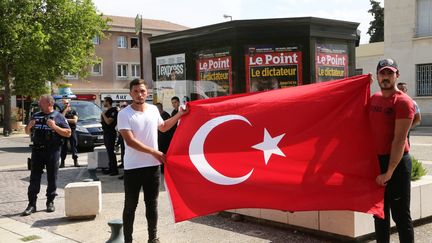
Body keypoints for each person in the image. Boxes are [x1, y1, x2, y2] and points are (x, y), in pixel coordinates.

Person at [118, 78, 188, 243]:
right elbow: (130, 141)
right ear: (130, 93)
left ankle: (153, 238)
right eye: (135, 91)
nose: (139, 94)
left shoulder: (153, 110)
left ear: (147, 92)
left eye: (142, 91)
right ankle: (128, 240)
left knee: (152, 205)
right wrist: (154, 152)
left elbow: (163, 127)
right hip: (133, 167)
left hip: (152, 167)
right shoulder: (124, 113)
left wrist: (180, 114)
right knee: (130, 207)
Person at [370, 58, 415, 243]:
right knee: (379, 214)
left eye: (390, 73)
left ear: (397, 75)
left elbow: (399, 140)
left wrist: (389, 172)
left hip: (396, 164)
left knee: (400, 216)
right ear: (377, 76)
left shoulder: (403, 102)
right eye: (382, 73)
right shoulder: (374, 98)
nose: (386, 77)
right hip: (377, 162)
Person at [22, 95, 71, 216]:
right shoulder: (36, 116)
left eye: (41, 102)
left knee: (52, 177)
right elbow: (27, 132)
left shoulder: (58, 116)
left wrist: (54, 126)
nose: (39, 104)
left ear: (49, 104)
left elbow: (68, 133)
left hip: (52, 151)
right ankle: (31, 204)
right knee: (34, 177)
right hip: (37, 151)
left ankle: (50, 202)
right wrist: (29, 126)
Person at [101, 97, 119, 176]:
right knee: (108, 152)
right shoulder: (107, 111)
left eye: (104, 101)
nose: (103, 103)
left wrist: (103, 114)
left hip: (111, 133)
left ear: (108, 102)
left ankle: (114, 170)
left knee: (111, 152)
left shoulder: (113, 110)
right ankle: (110, 168)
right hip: (106, 132)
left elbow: (108, 121)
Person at [60, 98, 79, 167]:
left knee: (74, 145)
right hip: (64, 131)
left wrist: (65, 120)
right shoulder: (61, 111)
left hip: (72, 130)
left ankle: (75, 161)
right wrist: (65, 111)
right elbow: (60, 119)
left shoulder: (73, 111)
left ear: (69, 103)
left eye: (67, 103)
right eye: (64, 103)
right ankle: (62, 162)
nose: (66, 105)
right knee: (63, 147)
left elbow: (74, 121)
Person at [155, 102, 171, 174]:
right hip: (160, 138)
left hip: (165, 138)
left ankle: (165, 169)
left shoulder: (165, 115)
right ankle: (162, 169)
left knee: (164, 153)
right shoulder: (158, 115)